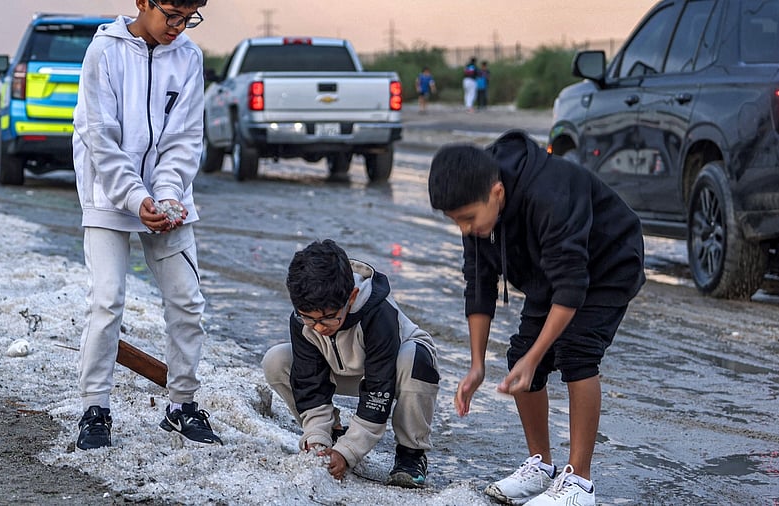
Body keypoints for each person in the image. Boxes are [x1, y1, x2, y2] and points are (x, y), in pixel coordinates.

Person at [427, 133, 645, 506]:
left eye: (467, 219)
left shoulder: (551, 192)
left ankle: (579, 483)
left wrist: (536, 357)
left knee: (576, 353)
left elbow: (572, 286)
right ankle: (541, 467)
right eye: (455, 221)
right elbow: (479, 283)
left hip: (609, 262)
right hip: (552, 270)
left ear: (497, 193)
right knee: (521, 356)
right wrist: (477, 365)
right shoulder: (476, 208)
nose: (464, 229)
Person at [72, 0, 222, 450]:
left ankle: (182, 405)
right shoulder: (104, 52)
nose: (178, 26)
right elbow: (100, 135)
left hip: (168, 203)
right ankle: (94, 409)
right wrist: (136, 199)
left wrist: (169, 196)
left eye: (189, 16)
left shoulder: (189, 57)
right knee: (107, 302)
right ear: (143, 1)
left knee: (187, 302)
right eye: (172, 13)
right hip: (109, 198)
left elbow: (185, 138)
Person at [262, 239, 440, 489]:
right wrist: (317, 439)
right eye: (310, 319)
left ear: (352, 296)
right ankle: (333, 433)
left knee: (414, 358)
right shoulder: (303, 320)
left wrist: (348, 452)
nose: (320, 327)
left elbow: (378, 391)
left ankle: (411, 455)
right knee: (276, 360)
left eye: (328, 318)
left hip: (395, 371)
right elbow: (308, 382)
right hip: (342, 369)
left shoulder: (378, 313)